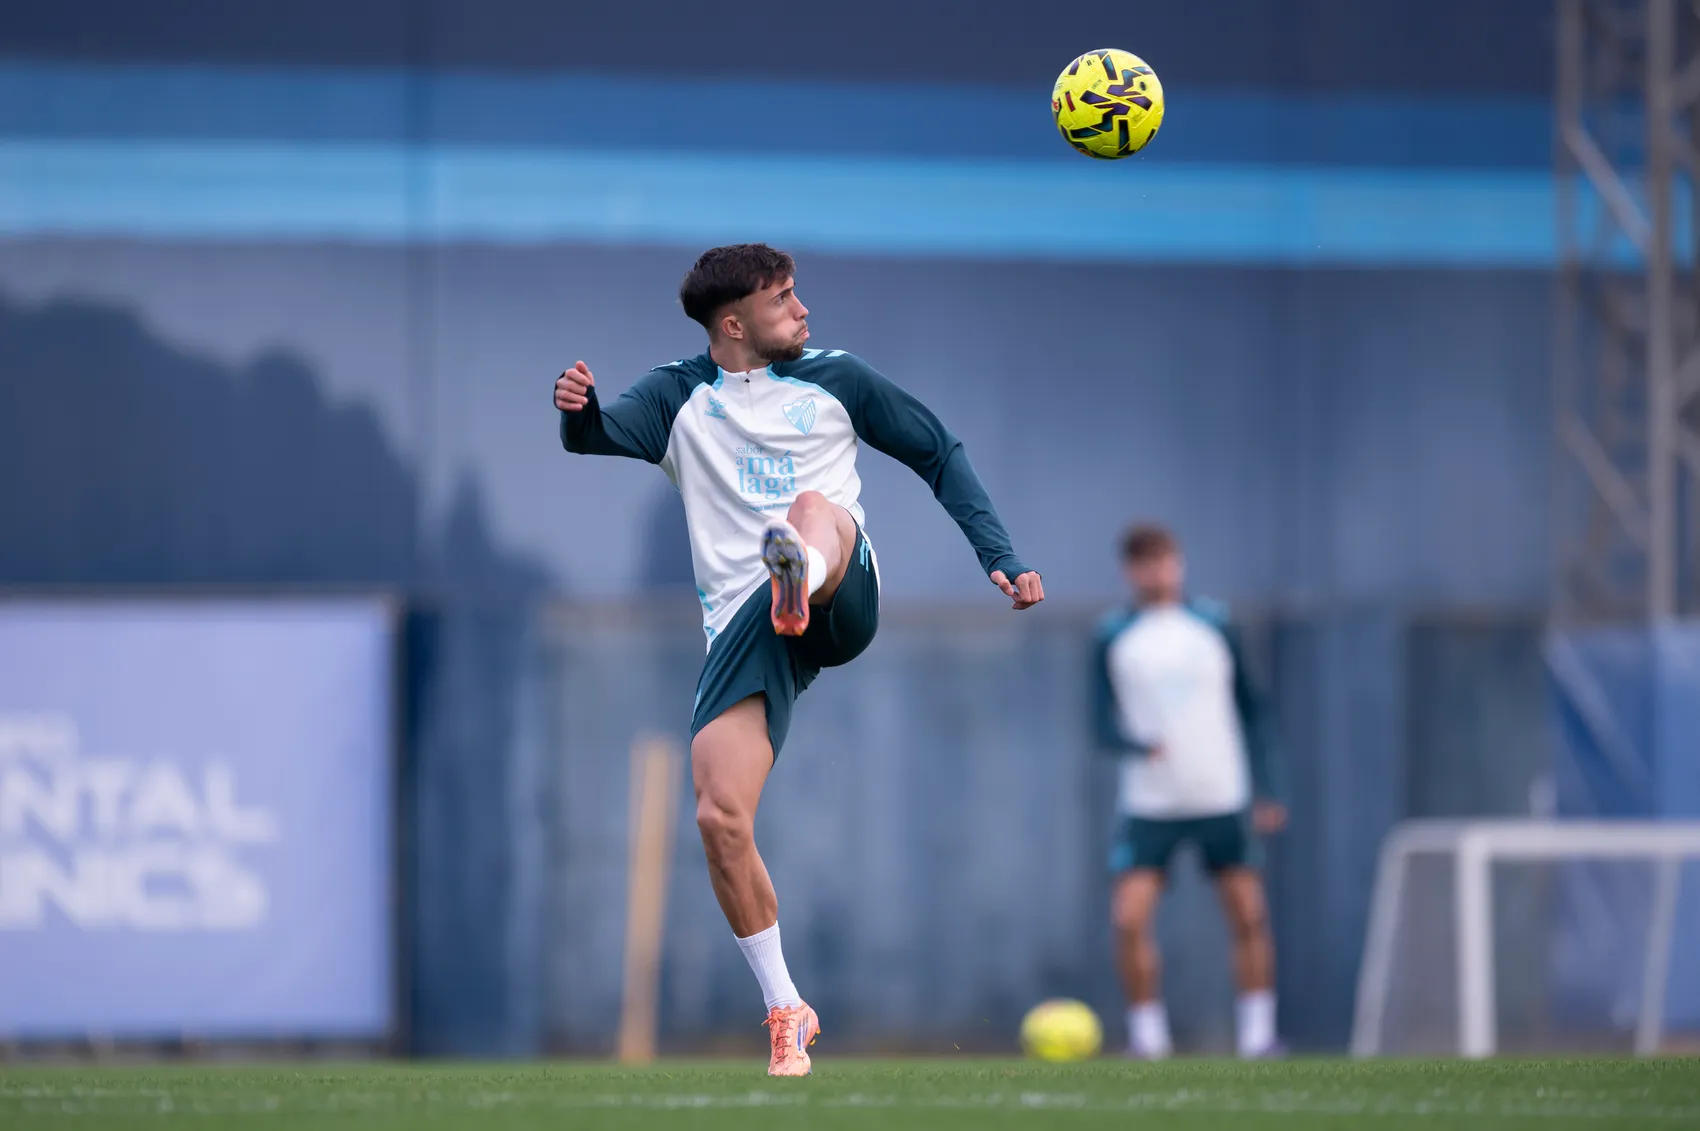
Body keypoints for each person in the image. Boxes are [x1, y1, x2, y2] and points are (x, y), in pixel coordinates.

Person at [554, 243, 1044, 1076]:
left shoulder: (837, 379)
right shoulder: (677, 396)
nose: (802, 308)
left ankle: (798, 573)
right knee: (718, 817)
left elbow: (937, 449)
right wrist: (577, 409)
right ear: (733, 323)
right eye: (782, 298)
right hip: (749, 629)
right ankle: (787, 1008)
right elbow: (593, 437)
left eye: (796, 292)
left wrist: (998, 553)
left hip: (841, 592)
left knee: (811, 506)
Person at [1092, 523, 1285, 1060]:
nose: (1157, 572)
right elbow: (1099, 725)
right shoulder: (1113, 635)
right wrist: (1138, 745)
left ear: (1179, 562)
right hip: (1151, 801)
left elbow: (1253, 708)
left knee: (1248, 913)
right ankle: (1148, 1038)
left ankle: (1258, 1035)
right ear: (1129, 571)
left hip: (1220, 793)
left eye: (1165, 560)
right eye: (1145, 562)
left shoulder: (1216, 625)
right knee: (1129, 918)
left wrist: (1270, 788)